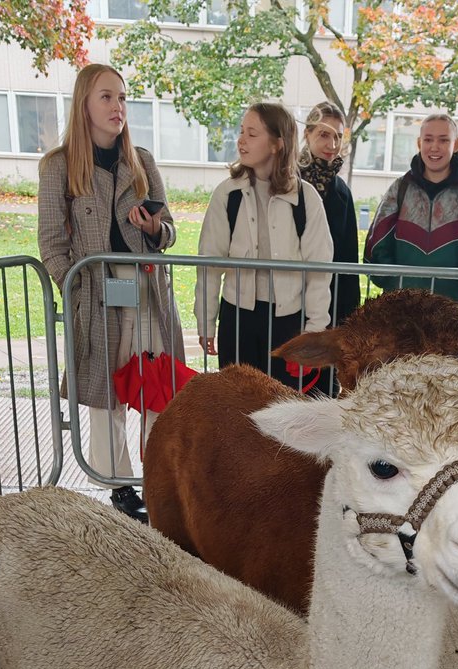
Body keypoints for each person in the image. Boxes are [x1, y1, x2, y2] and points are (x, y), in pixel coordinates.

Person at [38, 62, 184, 522]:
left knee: (158, 385)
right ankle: (120, 488)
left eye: (122, 98)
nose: (117, 106)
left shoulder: (142, 161)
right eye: (106, 96)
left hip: (145, 289)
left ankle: (158, 479)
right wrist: (74, 286)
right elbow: (50, 241)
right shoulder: (59, 166)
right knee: (108, 393)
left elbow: (171, 231)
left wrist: (156, 227)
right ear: (84, 103)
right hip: (99, 294)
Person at [194, 102, 333, 385]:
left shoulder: (305, 199)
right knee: (236, 406)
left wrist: (315, 332)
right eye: (242, 132)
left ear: (276, 144)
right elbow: (209, 264)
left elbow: (319, 271)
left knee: (281, 409)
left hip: (288, 323)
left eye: (252, 133)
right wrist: (206, 321)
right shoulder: (227, 194)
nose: (241, 140)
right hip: (237, 319)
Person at [364, 112, 458, 303]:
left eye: (443, 140)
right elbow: (377, 244)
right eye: (428, 139)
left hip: (450, 310)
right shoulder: (400, 188)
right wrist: (392, 283)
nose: (435, 147)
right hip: (400, 309)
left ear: (456, 144)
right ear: (419, 143)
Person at [298, 100, 360, 393]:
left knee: (321, 385)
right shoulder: (287, 182)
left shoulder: (342, 193)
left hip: (330, 302)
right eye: (323, 134)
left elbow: (348, 258)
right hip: (290, 299)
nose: (332, 143)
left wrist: (350, 317)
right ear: (308, 134)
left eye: (337, 135)